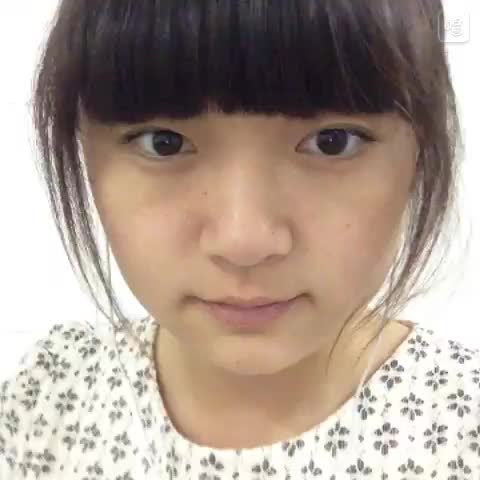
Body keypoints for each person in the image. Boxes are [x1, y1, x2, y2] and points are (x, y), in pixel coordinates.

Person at [0, 0, 476, 479]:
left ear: (420, 152)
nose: (243, 241)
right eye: (164, 142)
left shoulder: (460, 433)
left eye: (332, 142)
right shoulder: (51, 401)